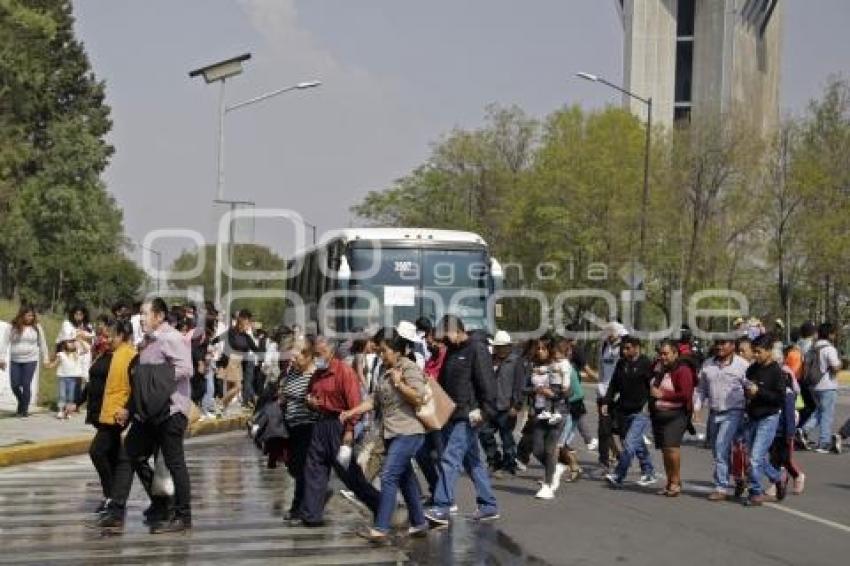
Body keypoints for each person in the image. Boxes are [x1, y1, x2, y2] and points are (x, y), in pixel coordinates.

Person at [97, 297, 194, 534]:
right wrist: (130, 408)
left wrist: (157, 380)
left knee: (174, 463)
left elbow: (186, 368)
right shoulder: (147, 342)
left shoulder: (171, 338)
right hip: (147, 413)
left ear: (159, 316)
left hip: (170, 411)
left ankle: (183, 516)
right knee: (129, 453)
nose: (140, 317)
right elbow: (141, 381)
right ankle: (117, 510)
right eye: (140, 313)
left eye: (145, 313)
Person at [340, 329, 430, 542]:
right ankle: (419, 523)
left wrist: (399, 383)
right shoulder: (384, 370)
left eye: (385, 351)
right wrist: (352, 412)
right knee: (405, 478)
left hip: (409, 432)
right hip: (390, 432)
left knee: (389, 476)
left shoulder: (409, 368)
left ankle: (381, 528)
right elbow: (374, 399)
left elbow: (419, 397)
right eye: (380, 351)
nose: (381, 355)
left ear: (398, 352)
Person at [424, 315, 499, 524]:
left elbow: (487, 382)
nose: (442, 340)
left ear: (457, 330)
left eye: (445, 334)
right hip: (452, 415)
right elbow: (444, 382)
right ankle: (488, 505)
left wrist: (485, 411)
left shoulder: (477, 349)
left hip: (469, 415)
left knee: (450, 458)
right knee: (472, 461)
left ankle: (442, 506)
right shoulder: (452, 351)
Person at [298, 337, 380, 527]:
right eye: (316, 355)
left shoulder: (344, 372)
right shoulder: (317, 374)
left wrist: (349, 432)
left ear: (331, 352)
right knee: (314, 470)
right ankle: (311, 515)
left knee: (350, 475)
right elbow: (309, 395)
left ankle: (379, 504)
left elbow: (354, 405)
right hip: (320, 424)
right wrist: (309, 402)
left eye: (321, 354)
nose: (317, 358)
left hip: (339, 424)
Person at [87, 319, 136, 514]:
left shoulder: (131, 356)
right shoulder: (113, 355)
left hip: (117, 414)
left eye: (113, 336)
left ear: (121, 336)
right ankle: (115, 499)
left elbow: (135, 388)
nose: (110, 339)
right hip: (106, 412)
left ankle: (110, 495)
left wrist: (128, 409)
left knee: (97, 452)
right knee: (112, 455)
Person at [696, 338, 750, 501]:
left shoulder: (742, 365)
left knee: (721, 446)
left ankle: (721, 487)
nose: (719, 346)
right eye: (717, 343)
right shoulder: (708, 365)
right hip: (714, 412)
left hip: (735, 412)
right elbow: (701, 389)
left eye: (723, 343)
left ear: (732, 346)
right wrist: (697, 407)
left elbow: (750, 387)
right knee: (717, 449)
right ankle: (739, 478)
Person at [601, 336, 657, 488]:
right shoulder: (621, 363)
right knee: (637, 443)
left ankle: (619, 475)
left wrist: (650, 405)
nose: (624, 351)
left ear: (636, 348)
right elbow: (614, 384)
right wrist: (607, 401)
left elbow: (654, 386)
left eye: (627, 348)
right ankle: (649, 472)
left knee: (629, 445)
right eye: (623, 348)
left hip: (640, 411)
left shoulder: (646, 364)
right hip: (623, 410)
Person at [742, 335, 787, 506]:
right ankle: (778, 477)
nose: (755, 355)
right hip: (752, 416)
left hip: (768, 418)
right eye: (754, 351)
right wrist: (748, 392)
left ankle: (756, 492)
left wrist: (758, 391)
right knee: (756, 458)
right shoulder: (752, 369)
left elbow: (780, 398)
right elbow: (747, 387)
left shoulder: (776, 372)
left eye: (759, 352)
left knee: (755, 458)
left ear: (769, 351)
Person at [650, 340, 696, 497]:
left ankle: (676, 482)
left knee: (671, 447)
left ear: (675, 354)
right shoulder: (660, 368)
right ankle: (670, 481)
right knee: (665, 450)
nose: (662, 357)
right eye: (660, 354)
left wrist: (664, 394)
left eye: (666, 354)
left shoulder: (683, 370)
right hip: (659, 414)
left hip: (677, 414)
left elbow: (686, 394)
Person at [280, 339, 318, 523]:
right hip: (291, 427)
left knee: (302, 469)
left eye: (296, 357)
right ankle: (311, 499)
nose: (292, 361)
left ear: (308, 356)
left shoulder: (315, 375)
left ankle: (299, 507)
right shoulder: (292, 373)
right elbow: (284, 392)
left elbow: (317, 402)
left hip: (307, 427)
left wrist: (306, 401)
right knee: (294, 467)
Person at [479, 330, 525, 477]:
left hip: (507, 406)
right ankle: (494, 461)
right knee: (485, 434)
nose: (500, 349)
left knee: (507, 438)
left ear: (509, 346)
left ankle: (509, 463)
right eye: (498, 346)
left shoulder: (515, 361)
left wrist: (516, 405)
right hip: (490, 406)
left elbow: (519, 385)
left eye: (504, 346)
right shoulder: (489, 360)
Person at [0, 306, 52, 417]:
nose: (31, 318)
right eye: (28, 315)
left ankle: (24, 411)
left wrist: (46, 359)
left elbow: (43, 343)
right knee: (14, 385)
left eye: (32, 316)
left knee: (26, 384)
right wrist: (1, 358)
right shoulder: (12, 326)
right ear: (22, 315)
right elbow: (4, 343)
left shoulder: (37, 327)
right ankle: (22, 401)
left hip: (31, 359)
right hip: (15, 359)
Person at [802, 322, 842, 454]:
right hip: (827, 385)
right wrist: (840, 365)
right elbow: (835, 367)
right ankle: (824, 443)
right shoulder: (829, 349)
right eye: (834, 333)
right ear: (830, 334)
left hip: (814, 385)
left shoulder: (813, 348)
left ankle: (802, 431)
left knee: (819, 412)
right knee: (826, 415)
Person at [770, 348, 805, 495]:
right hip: (771, 423)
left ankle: (797, 476)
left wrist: (790, 432)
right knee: (774, 458)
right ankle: (776, 483)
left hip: (785, 424)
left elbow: (795, 391)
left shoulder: (785, 373)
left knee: (785, 459)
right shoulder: (766, 372)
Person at [597, 322, 627, 473]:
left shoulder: (624, 348)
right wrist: (600, 390)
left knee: (623, 432)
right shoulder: (604, 346)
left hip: (619, 395)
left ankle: (641, 464)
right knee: (603, 430)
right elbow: (601, 369)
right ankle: (604, 462)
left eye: (611, 331)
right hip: (604, 394)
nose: (608, 334)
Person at [55, 331, 90, 419]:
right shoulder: (61, 354)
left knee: (70, 396)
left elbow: (86, 349)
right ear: (64, 344)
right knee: (62, 394)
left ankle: (68, 411)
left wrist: (80, 340)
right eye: (69, 342)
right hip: (63, 377)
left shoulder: (76, 353)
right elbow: (54, 363)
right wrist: (48, 365)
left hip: (73, 378)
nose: (72, 343)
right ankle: (61, 410)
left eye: (73, 342)